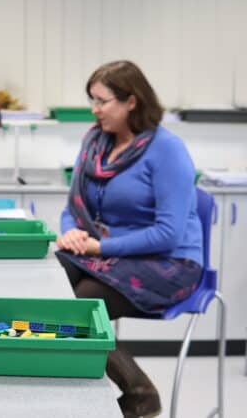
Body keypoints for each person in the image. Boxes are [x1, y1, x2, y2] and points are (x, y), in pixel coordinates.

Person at [55, 60, 202, 418]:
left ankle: (140, 393)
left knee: (83, 304)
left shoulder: (166, 150)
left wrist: (99, 247)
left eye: (102, 101)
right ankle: (59, 390)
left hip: (169, 263)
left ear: (131, 101)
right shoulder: (95, 143)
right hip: (111, 256)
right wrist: (71, 231)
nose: (94, 110)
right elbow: (72, 207)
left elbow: (169, 234)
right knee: (51, 279)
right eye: (92, 100)